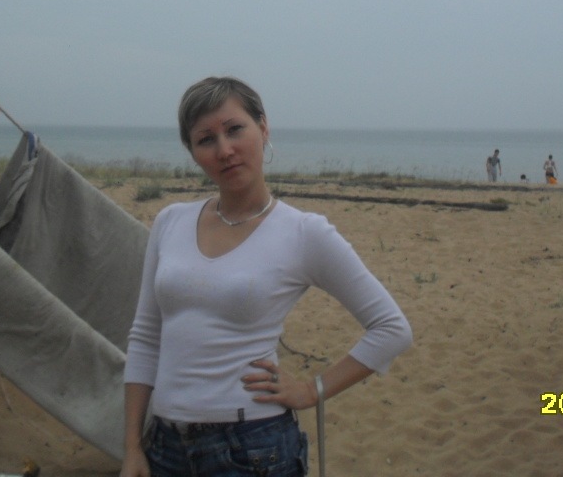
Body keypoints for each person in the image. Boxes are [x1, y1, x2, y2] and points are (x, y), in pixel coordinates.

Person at [120, 77, 412, 477]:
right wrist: (132, 446)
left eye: (235, 129)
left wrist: (312, 390)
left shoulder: (303, 232)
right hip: (165, 448)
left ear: (263, 127)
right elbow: (145, 337)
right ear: (193, 153)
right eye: (206, 139)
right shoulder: (170, 222)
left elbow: (392, 329)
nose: (225, 150)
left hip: (252, 449)